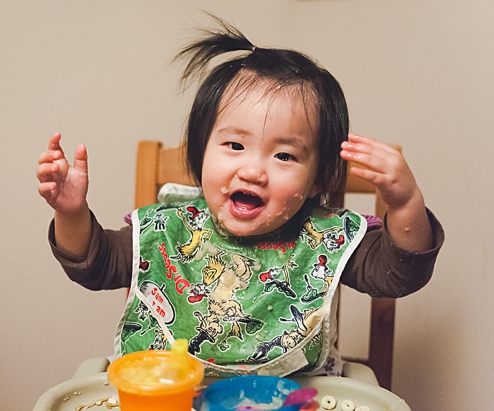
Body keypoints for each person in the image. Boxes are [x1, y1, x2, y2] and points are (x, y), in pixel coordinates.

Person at [36, 20, 443, 377]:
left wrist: (405, 204)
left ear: (320, 178)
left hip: (292, 398)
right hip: (174, 396)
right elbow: (97, 264)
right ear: (199, 154)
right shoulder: (172, 228)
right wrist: (71, 213)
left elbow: (398, 274)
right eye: (234, 145)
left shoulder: (323, 239)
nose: (252, 170)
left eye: (284, 155)